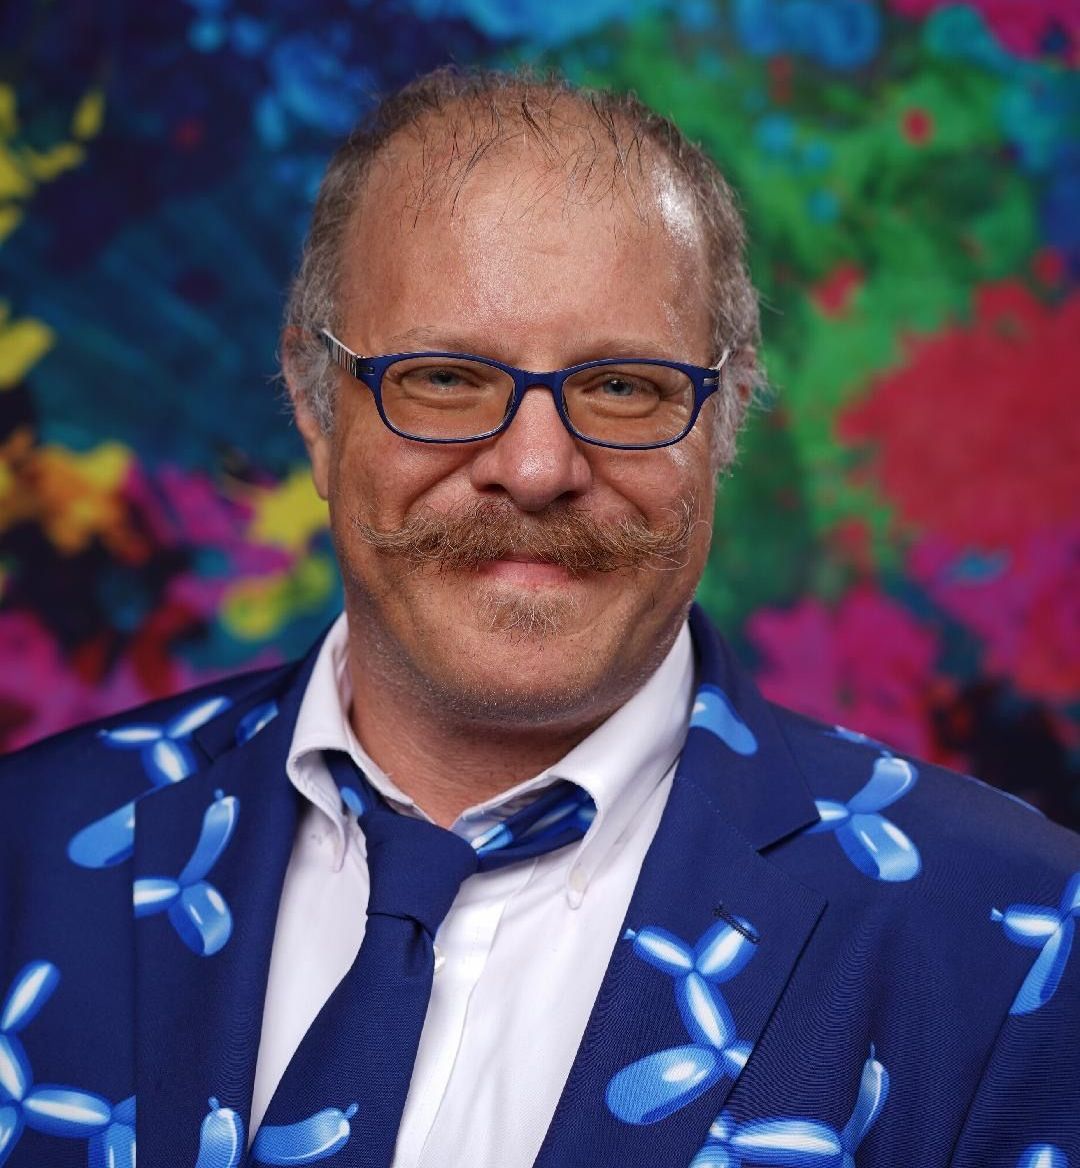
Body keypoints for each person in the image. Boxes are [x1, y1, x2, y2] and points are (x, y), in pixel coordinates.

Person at [1, 67, 1077, 1168]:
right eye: (445, 377)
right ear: (318, 416)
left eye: (622, 387)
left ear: (725, 424)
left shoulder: (1018, 936)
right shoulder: (26, 853)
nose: (535, 467)